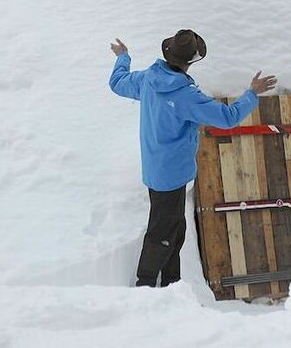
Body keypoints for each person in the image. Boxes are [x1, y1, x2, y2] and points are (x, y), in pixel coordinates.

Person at [108, 29, 277, 287]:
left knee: (175, 231)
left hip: (156, 169)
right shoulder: (186, 96)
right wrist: (252, 94)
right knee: (162, 234)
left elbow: (118, 82)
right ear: (191, 61)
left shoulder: (149, 78)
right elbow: (228, 118)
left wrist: (123, 57)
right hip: (172, 175)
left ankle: (172, 283)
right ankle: (144, 287)